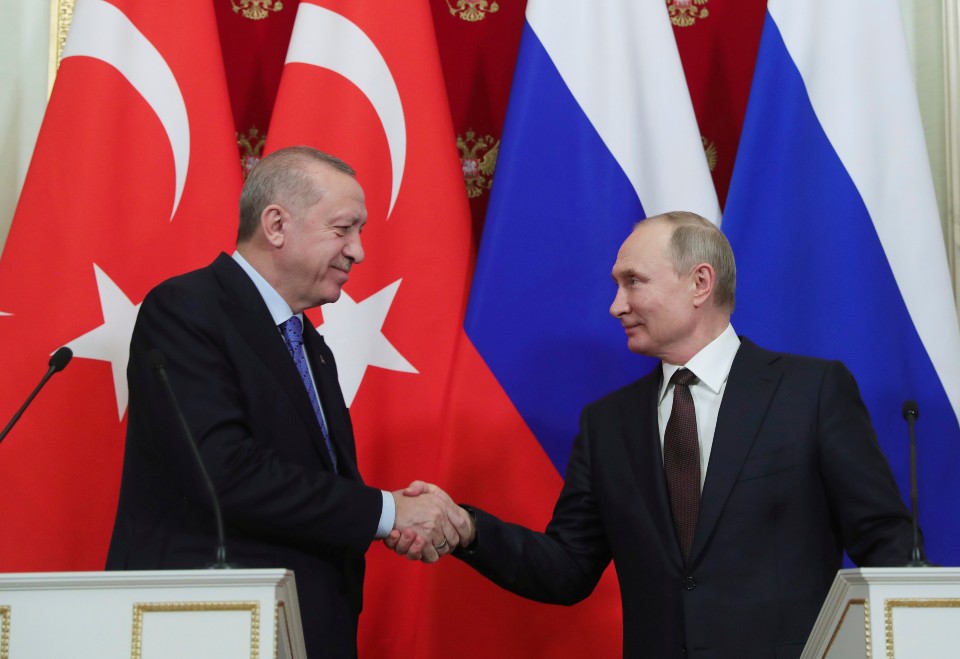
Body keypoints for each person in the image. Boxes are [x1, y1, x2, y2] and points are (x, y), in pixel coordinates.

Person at [390, 211, 914, 657]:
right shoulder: (607, 424)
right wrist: (469, 528)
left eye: (633, 281)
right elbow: (567, 568)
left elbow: (885, 542)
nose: (616, 305)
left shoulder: (810, 392)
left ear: (700, 283)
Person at [106, 146, 469, 658]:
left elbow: (318, 483)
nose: (358, 251)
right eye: (343, 229)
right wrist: (389, 512)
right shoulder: (187, 309)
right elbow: (224, 470)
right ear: (276, 225)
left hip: (303, 624)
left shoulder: (309, 344)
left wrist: (394, 516)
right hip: (206, 624)